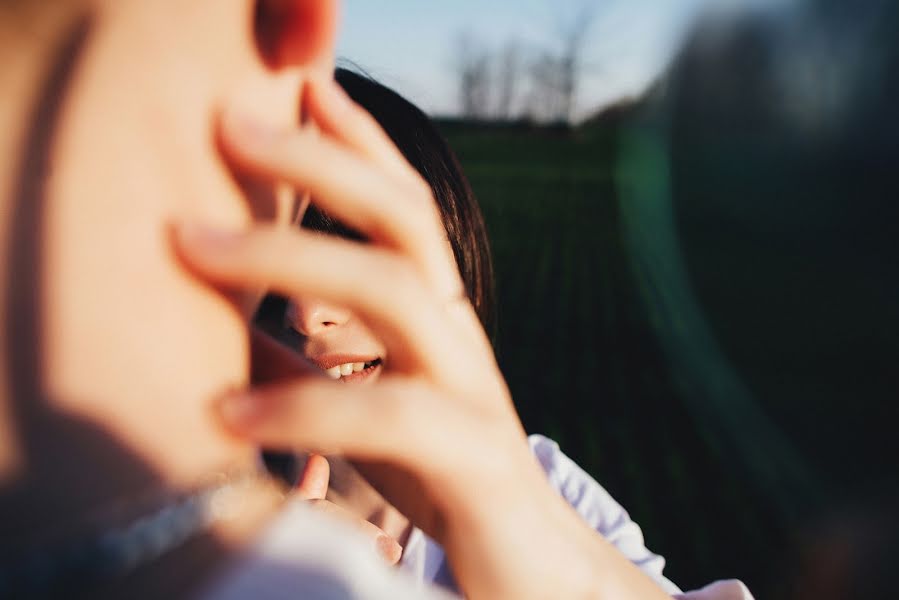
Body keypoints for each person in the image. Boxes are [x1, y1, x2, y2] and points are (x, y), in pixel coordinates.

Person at [0, 1, 748, 598]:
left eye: (347, 245)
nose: (305, 313)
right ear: (299, 18)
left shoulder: (538, 491)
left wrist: (569, 568)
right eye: (279, 243)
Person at [258, 67, 686, 595]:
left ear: (454, 269)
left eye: (358, 248)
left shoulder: (546, 496)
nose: (306, 311)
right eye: (261, 258)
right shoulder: (169, 519)